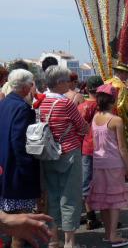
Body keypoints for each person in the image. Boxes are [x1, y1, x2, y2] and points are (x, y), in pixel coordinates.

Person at [39, 66, 88, 248]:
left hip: (47, 154)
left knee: (52, 196)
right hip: (69, 153)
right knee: (70, 196)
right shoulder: (66, 103)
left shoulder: (41, 102)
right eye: (67, 80)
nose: (69, 83)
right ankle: (69, 242)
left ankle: (53, 240)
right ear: (59, 83)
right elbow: (83, 127)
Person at [87, 84, 128, 247]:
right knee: (114, 201)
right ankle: (113, 235)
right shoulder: (116, 120)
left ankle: (108, 233)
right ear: (112, 100)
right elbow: (122, 147)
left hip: (98, 163)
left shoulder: (95, 117)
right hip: (114, 164)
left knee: (103, 200)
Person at [0, 69, 40, 248]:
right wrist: (27, 169)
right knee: (20, 224)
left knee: (9, 221)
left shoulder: (4, 103)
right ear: (25, 87)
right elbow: (19, 142)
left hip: (4, 166)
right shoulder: (22, 108)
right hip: (16, 171)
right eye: (31, 85)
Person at [77, 76, 104, 230]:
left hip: (86, 148)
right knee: (104, 183)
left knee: (87, 184)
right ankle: (108, 218)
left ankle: (90, 216)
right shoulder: (105, 106)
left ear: (87, 88)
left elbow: (78, 129)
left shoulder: (83, 107)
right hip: (104, 149)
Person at [105, 63, 128, 129]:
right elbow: (120, 106)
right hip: (115, 118)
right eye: (126, 74)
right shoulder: (122, 86)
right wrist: (127, 123)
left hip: (102, 116)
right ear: (121, 73)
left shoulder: (105, 82)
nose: (127, 77)